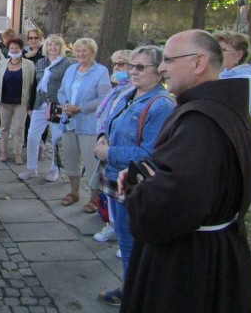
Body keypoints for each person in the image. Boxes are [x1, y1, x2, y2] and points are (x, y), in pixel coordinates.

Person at [118, 30, 251, 313]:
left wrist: (137, 189)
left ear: (199, 63)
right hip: (220, 249)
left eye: (169, 60)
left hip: (188, 263)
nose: (161, 68)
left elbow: (173, 200)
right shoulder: (226, 110)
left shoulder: (200, 121)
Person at [92, 46, 175, 307]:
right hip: (119, 180)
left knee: (131, 246)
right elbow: (110, 122)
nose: (133, 71)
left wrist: (110, 152)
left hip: (134, 184)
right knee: (128, 243)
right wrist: (103, 136)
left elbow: (150, 153)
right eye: (132, 66)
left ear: (159, 71)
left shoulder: (160, 105)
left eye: (141, 67)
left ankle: (133, 296)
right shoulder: (131, 94)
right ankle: (130, 288)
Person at [57, 38, 111, 212]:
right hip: (68, 122)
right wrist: (65, 103)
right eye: (78, 51)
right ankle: (74, 192)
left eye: (84, 51)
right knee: (70, 158)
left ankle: (94, 198)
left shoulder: (101, 71)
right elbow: (61, 91)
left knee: (91, 162)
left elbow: (104, 98)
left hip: (88, 123)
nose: (80, 54)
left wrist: (80, 108)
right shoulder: (71, 69)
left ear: (92, 53)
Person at [92, 49, 133, 243]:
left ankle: (123, 234)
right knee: (109, 191)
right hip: (106, 141)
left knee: (121, 194)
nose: (117, 68)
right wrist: (102, 136)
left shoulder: (132, 91)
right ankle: (111, 225)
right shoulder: (117, 88)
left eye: (122, 64)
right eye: (115, 64)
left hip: (119, 148)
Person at [20, 35, 72, 180]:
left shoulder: (66, 64)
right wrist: (30, 105)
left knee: (56, 137)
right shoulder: (41, 62)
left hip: (57, 105)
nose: (53, 48)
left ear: (61, 47)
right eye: (50, 45)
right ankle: (31, 168)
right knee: (32, 136)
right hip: (39, 103)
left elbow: (68, 86)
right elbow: (35, 84)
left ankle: (54, 169)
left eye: (56, 45)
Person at [0, 37, 35, 164]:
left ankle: (18, 153)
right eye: (11, 48)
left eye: (17, 48)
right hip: (5, 101)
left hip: (21, 102)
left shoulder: (29, 65)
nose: (14, 50)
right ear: (8, 49)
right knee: (4, 127)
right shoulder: (2, 63)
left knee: (19, 128)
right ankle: (3, 151)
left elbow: (32, 84)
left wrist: (30, 104)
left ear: (21, 49)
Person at [212, 30, 251, 117]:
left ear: (238, 55)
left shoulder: (245, 80)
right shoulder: (222, 75)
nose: (215, 54)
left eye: (222, 49)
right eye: (214, 49)